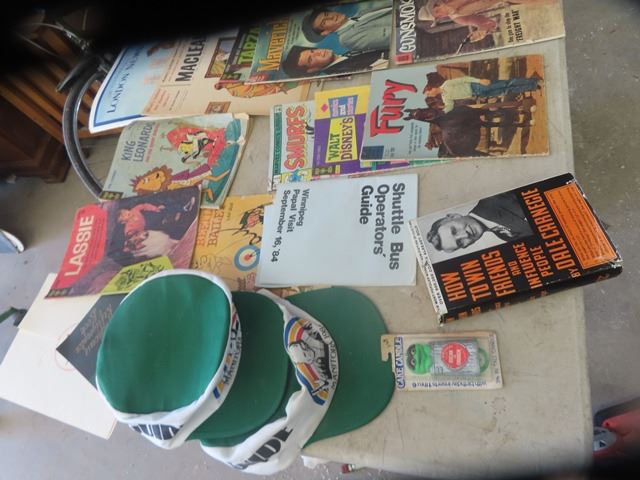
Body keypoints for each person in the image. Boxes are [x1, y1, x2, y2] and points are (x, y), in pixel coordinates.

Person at [426, 192, 533, 253]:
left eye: (454, 231)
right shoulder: (505, 236)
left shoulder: (495, 196)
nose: (465, 235)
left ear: (454, 216)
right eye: (460, 243)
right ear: (466, 246)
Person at [418, 0, 557, 42]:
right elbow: (487, 23)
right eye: (438, 18)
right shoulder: (459, 18)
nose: (442, 16)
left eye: (438, 12)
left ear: (437, 4)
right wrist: (482, 30)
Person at [424, 71, 541, 113]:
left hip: (476, 86)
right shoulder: (445, 98)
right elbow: (449, 106)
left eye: (429, 94)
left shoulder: (447, 84)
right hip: (478, 94)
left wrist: (480, 80)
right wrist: (441, 112)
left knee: (506, 83)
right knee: (507, 91)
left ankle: (534, 80)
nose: (431, 96)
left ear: (432, 89)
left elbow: (464, 79)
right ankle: (533, 86)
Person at [300, 5, 392, 51]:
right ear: (325, 32)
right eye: (324, 22)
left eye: (327, 14)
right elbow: (389, 37)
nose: (331, 17)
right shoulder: (346, 38)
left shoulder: (360, 13)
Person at [282, 46, 387, 78]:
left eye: (312, 51)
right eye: (311, 59)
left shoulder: (347, 55)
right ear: (312, 70)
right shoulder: (342, 72)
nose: (318, 53)